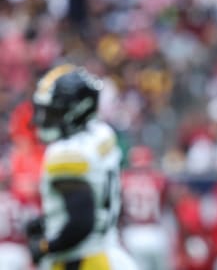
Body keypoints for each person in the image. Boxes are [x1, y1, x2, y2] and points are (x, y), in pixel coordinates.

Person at [25, 64, 138, 270]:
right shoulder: (102, 134)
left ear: (76, 110)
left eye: (52, 112)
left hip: (83, 261)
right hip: (110, 254)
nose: (44, 119)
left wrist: (44, 247)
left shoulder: (65, 154)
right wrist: (50, 220)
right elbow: (95, 199)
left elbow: (81, 222)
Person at [120, 145, 172, 270]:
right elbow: (166, 203)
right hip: (156, 233)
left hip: (132, 233)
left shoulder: (123, 179)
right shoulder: (159, 179)